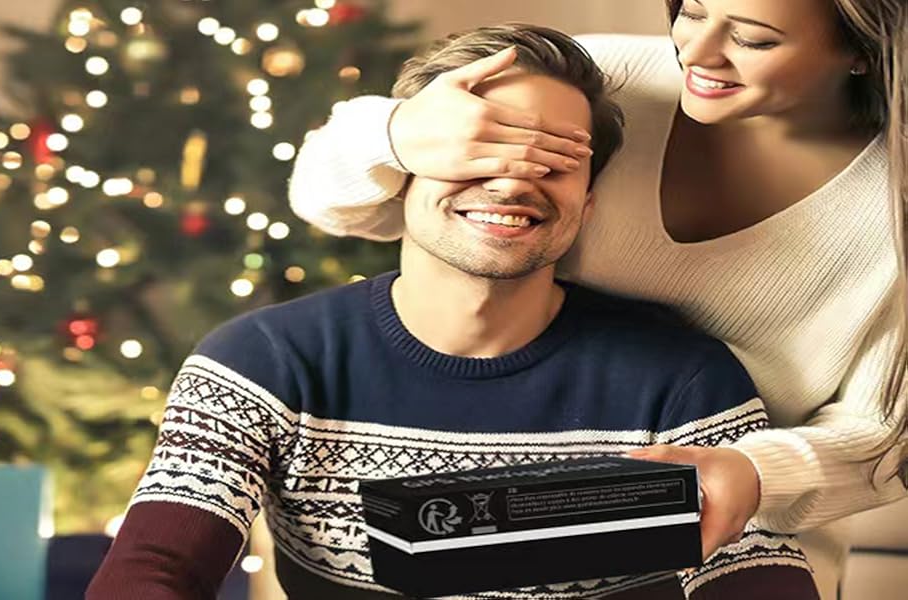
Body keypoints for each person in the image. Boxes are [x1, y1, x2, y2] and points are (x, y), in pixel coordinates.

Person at [88, 24, 818, 600]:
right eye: (481, 147)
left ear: (587, 202)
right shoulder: (263, 363)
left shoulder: (679, 378)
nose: (512, 181)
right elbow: (154, 568)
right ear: (399, 164)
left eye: (556, 161)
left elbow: (758, 575)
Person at [286, 1, 908, 598]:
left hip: (734, 538)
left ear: (860, 49)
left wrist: (754, 475)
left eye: (753, 38)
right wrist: (397, 131)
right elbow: (332, 201)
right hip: (472, 512)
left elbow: (881, 432)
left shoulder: (892, 206)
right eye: (690, 13)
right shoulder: (606, 81)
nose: (699, 52)